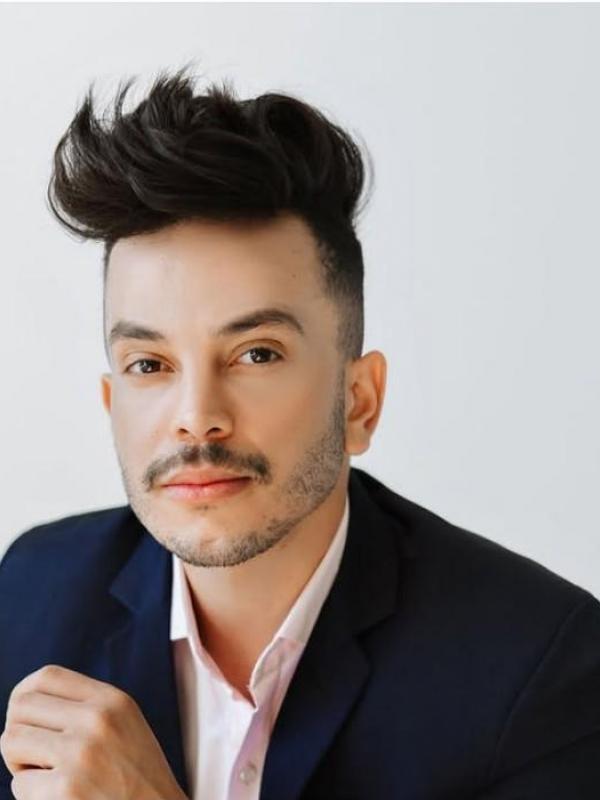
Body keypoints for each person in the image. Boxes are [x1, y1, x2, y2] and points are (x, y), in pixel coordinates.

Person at [0, 65, 598, 800]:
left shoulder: (539, 671)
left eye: (256, 354)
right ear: (109, 402)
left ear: (359, 403)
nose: (196, 415)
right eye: (149, 364)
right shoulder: (31, 593)